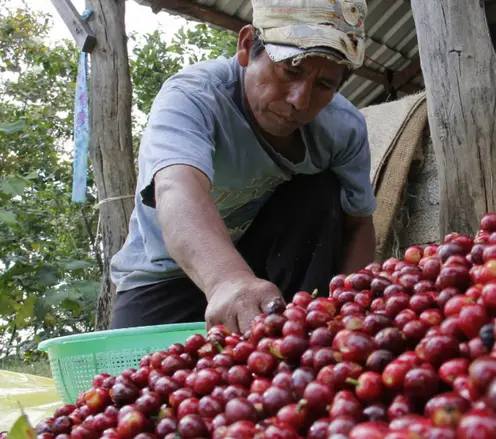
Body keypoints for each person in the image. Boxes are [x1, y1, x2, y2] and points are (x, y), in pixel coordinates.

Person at [109, 0, 377, 335]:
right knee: (140, 381)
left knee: (321, 190)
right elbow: (176, 187)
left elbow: (357, 225)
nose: (300, 100)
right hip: (165, 274)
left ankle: (303, 332)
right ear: (247, 45)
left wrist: (347, 311)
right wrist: (227, 280)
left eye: (324, 85)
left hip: (261, 273)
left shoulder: (343, 129)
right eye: (290, 70)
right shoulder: (195, 96)